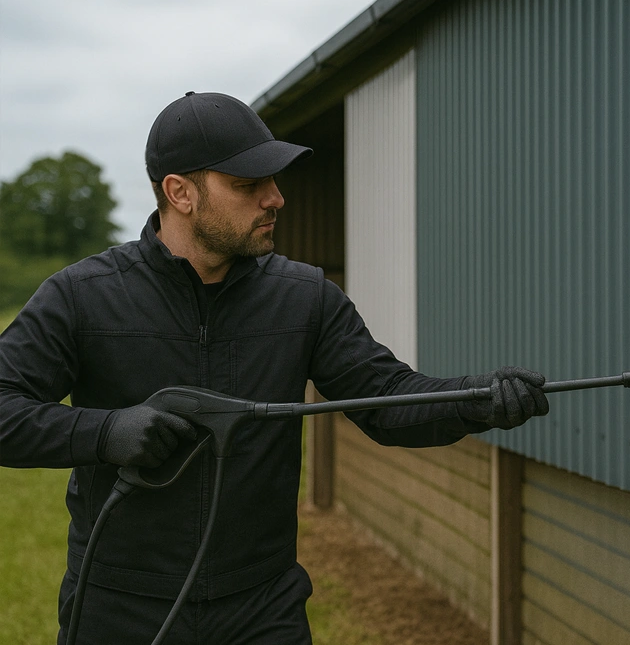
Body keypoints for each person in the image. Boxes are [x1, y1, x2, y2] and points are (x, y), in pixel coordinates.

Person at [0, 91, 549, 644]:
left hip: (262, 608)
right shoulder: (83, 297)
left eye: (274, 180)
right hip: (120, 608)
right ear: (180, 192)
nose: (276, 198)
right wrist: (106, 432)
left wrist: (475, 399)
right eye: (248, 185)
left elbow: (385, 399)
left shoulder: (305, 297)